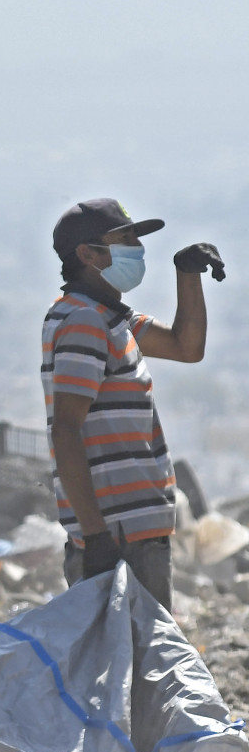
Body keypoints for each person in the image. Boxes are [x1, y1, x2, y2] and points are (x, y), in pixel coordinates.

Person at [43, 197, 226, 610]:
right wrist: (95, 537)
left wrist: (187, 274)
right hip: (117, 533)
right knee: (133, 668)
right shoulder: (85, 323)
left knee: (139, 664)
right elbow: (66, 429)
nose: (136, 249)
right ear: (88, 255)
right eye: (123, 239)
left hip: (133, 530)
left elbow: (186, 346)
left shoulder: (111, 318)